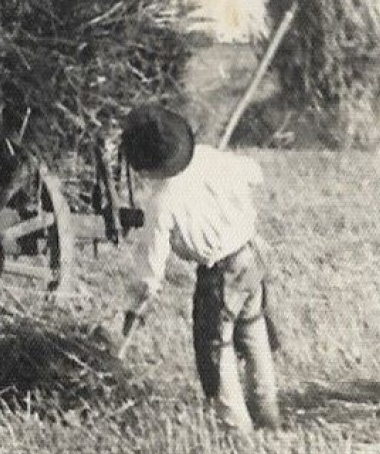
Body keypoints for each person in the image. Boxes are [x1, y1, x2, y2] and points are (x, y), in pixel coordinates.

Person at [103, 105, 283, 434]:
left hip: (221, 277)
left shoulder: (161, 204)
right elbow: (254, 172)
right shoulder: (211, 158)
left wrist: (135, 308)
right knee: (254, 331)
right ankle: (268, 413)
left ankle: (236, 429)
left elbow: (150, 272)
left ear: (146, 167)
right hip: (253, 257)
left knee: (216, 349)